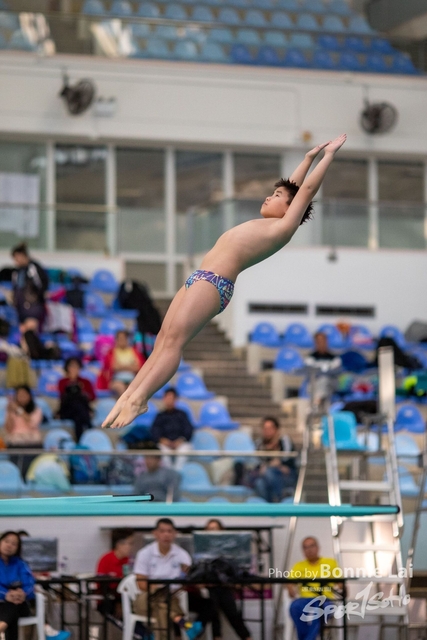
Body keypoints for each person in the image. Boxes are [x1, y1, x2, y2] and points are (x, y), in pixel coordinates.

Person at [102, 134, 347, 428]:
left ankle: (140, 399)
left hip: (215, 284)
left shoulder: (283, 228)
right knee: (162, 340)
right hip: (199, 278)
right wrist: (307, 158)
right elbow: (293, 187)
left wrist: (327, 156)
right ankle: (129, 395)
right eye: (272, 193)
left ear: (290, 208)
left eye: (277, 197)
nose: (269, 197)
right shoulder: (272, 221)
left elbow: (304, 191)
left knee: (174, 342)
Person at [133, 518, 211, 640]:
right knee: (160, 599)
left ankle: (155, 636)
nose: (166, 535)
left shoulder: (182, 555)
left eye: (169, 531)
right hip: (148, 595)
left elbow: (186, 582)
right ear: (155, 533)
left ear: (175, 534)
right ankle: (184, 624)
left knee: (162, 607)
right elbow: (141, 584)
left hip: (173, 595)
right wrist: (161, 589)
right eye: (162, 531)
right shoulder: (144, 554)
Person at [204, 519, 252, 640]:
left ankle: (247, 637)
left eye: (214, 529)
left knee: (233, 615)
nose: (212, 532)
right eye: (209, 529)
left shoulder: (228, 549)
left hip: (225, 587)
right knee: (213, 612)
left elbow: (234, 569)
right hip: (209, 588)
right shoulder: (203, 550)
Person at [288, 537, 340, 640]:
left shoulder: (330, 563)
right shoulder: (298, 566)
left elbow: (340, 582)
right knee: (294, 607)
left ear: (318, 547)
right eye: (305, 547)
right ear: (303, 550)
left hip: (325, 599)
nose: (309, 550)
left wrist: (339, 588)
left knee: (322, 610)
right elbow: (289, 582)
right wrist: (290, 588)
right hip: (304, 599)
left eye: (312, 546)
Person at [246, 417, 297, 503]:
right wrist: (270, 465)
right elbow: (257, 463)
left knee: (268, 472)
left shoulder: (284, 441)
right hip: (266, 476)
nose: (267, 431)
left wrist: (276, 465)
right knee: (260, 483)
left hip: (286, 475)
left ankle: (279, 500)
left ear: (277, 429)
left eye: (270, 428)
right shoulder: (259, 444)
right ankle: (270, 507)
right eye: (265, 428)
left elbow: (287, 459)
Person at [0, 531, 35, 640]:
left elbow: (30, 583)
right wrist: (5, 595)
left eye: (14, 544)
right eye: (6, 541)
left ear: (18, 548)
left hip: (20, 604)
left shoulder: (21, 564)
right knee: (11, 610)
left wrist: (23, 594)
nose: (9, 545)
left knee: (14, 603)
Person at [4, 386, 43, 477]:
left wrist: (19, 410)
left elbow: (32, 423)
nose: (21, 397)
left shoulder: (36, 410)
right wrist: (9, 412)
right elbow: (8, 429)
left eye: (24, 395)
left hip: (32, 444)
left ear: (29, 396)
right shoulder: (12, 410)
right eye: (19, 395)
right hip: (16, 444)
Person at [150, 388, 193, 471]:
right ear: (164, 399)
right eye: (167, 398)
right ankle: (169, 472)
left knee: (184, 450)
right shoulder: (160, 416)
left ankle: (177, 471)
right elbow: (154, 430)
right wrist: (162, 440)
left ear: (175, 399)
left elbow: (188, 429)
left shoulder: (182, 414)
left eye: (171, 398)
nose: (169, 400)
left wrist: (181, 440)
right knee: (162, 450)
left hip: (180, 443)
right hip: (165, 444)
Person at [11, 243, 48, 335]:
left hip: (32, 308)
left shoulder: (33, 268)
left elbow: (42, 285)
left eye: (17, 258)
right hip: (21, 308)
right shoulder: (17, 272)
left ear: (23, 256)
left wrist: (35, 299)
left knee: (30, 334)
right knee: (23, 334)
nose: (16, 261)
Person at [96, 528, 135, 616]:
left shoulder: (131, 560)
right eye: (129, 543)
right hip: (109, 598)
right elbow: (100, 582)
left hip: (127, 597)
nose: (131, 547)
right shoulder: (106, 559)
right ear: (119, 544)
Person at [97, 330, 145, 397]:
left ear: (127, 339)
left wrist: (121, 366)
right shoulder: (111, 352)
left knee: (134, 389)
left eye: (123, 338)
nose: (121, 340)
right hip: (116, 380)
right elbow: (113, 367)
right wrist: (130, 366)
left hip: (132, 379)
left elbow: (138, 367)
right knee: (121, 388)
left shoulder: (135, 352)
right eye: (119, 338)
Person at [58, 357, 95, 441]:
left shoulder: (85, 382)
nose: (74, 369)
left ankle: (79, 441)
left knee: (78, 415)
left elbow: (92, 397)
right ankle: (89, 427)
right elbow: (62, 397)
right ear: (67, 368)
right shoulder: (62, 382)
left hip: (79, 411)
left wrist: (81, 390)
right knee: (75, 401)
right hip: (67, 409)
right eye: (71, 366)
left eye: (76, 366)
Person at [305, 332, 342, 410]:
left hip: (331, 384)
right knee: (315, 383)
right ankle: (318, 402)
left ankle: (316, 403)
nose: (321, 343)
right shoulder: (310, 358)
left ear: (326, 342)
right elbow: (310, 371)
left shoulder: (334, 358)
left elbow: (335, 371)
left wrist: (322, 371)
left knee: (324, 380)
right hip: (315, 384)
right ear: (315, 343)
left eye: (323, 341)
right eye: (318, 341)